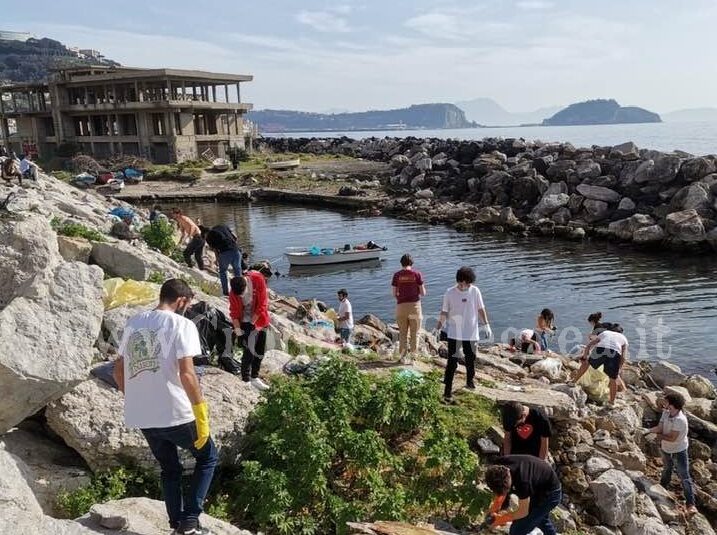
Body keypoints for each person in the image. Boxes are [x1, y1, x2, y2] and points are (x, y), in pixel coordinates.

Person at [112, 279, 217, 535]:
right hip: (175, 412)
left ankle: (175, 524)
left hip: (143, 416)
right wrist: (200, 410)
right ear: (181, 300)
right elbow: (187, 374)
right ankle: (190, 520)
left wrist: (134, 396)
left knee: (170, 468)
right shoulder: (182, 325)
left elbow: (118, 370)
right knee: (207, 457)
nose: (187, 309)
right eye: (187, 304)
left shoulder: (134, 322)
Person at [435, 266, 491, 404]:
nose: (464, 286)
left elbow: (480, 308)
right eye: (462, 283)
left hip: (471, 332)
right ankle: (447, 392)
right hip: (454, 332)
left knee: (471, 359)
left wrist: (486, 324)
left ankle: (470, 382)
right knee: (452, 363)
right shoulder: (450, 293)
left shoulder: (475, 291)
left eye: (467, 283)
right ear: (458, 281)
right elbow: (444, 312)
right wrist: (438, 328)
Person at [483, 455, 562, 535]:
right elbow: (501, 493)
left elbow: (523, 512)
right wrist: (494, 510)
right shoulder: (497, 467)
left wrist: (501, 519)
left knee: (517, 530)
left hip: (550, 494)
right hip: (537, 483)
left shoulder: (523, 482)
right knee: (540, 519)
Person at [650, 392, 697, 515]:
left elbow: (672, 438)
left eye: (667, 403)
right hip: (666, 448)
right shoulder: (666, 413)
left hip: (679, 449)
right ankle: (663, 487)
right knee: (667, 468)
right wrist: (647, 431)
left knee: (684, 476)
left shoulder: (680, 420)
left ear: (673, 405)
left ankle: (690, 504)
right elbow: (660, 428)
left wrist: (657, 437)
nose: (664, 404)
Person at [229, 265, 272, 390]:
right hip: (244, 323)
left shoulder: (258, 279)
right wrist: (238, 332)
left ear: (246, 284)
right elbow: (234, 313)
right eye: (239, 296)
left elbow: (263, 303)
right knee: (248, 351)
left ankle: (255, 377)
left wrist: (254, 323)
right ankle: (246, 379)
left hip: (259, 319)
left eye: (243, 294)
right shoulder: (234, 292)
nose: (241, 297)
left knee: (259, 350)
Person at [573, 322, 629, 404]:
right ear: (620, 332)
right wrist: (619, 368)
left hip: (600, 349)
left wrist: (585, 356)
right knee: (613, 379)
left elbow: (589, 345)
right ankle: (612, 402)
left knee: (586, 364)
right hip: (614, 353)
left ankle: (573, 382)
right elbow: (623, 357)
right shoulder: (623, 338)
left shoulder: (605, 333)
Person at [391, 254, 426, 363]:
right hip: (414, 306)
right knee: (415, 333)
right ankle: (413, 358)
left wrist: (400, 297)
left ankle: (402, 357)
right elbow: (423, 293)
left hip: (401, 306)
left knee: (402, 333)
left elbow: (393, 293)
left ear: (401, 263)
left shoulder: (396, 275)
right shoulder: (417, 274)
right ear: (412, 263)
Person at [202, 224, 243, 296]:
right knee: (237, 271)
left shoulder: (208, 237)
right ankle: (240, 291)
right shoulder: (223, 226)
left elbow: (215, 250)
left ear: (205, 233)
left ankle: (226, 292)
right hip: (236, 251)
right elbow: (235, 237)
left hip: (224, 254)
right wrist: (233, 245)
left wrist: (217, 260)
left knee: (223, 272)